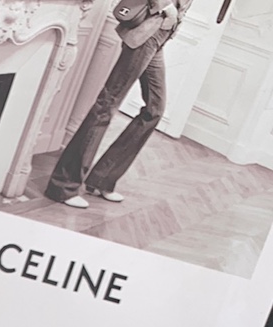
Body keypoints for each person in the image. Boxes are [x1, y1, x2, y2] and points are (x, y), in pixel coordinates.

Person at [45, 0, 191, 208]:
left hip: (160, 36)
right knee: (107, 104)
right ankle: (63, 185)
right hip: (148, 31)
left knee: (155, 109)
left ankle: (101, 179)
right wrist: (167, 8)